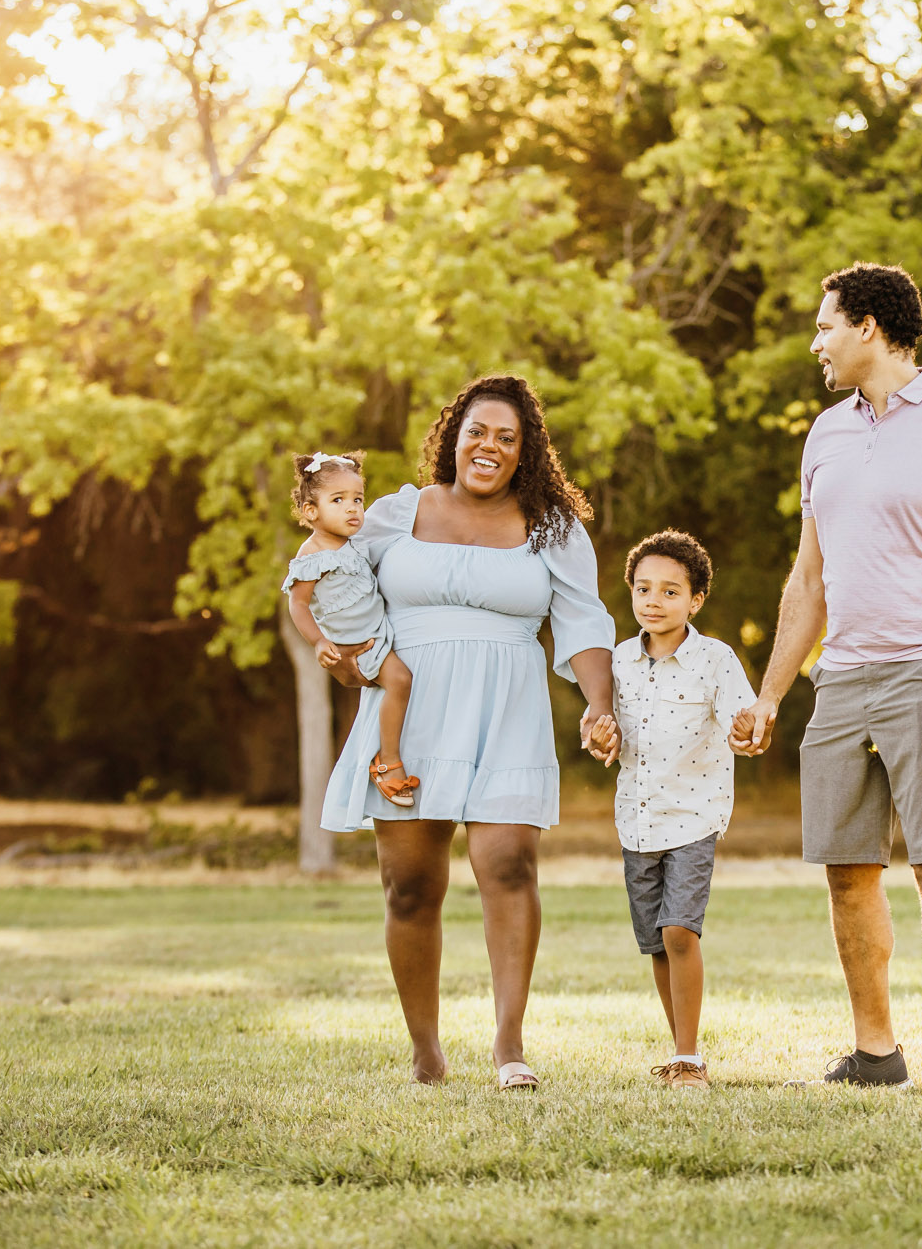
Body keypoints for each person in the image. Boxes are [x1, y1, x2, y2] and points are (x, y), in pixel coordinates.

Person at [732, 262, 922, 1097]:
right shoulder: (826, 433)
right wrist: (774, 691)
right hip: (843, 678)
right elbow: (807, 581)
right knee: (847, 869)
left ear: (868, 327)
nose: (815, 342)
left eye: (825, 325)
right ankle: (876, 1050)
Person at [320, 375, 620, 1089]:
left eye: (507, 438)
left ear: (526, 452)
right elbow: (336, 580)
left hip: (507, 704)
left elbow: (583, 622)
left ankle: (508, 1043)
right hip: (410, 707)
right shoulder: (398, 512)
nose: (489, 446)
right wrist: (345, 656)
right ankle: (425, 1049)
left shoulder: (551, 527)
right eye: (477, 431)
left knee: (510, 862)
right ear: (452, 437)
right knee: (409, 886)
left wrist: (599, 703)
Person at [605, 530, 756, 1090]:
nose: (653, 601)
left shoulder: (715, 659)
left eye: (670, 591)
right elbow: (610, 731)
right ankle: (679, 1051)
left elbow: (744, 719)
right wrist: (601, 737)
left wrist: (748, 728)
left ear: (695, 600)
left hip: (695, 817)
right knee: (655, 942)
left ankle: (691, 1058)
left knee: (679, 932)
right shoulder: (620, 659)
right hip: (636, 819)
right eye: (643, 588)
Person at [281, 451, 419, 807]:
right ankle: (388, 762)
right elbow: (297, 604)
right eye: (338, 500)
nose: (353, 508)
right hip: (360, 644)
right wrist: (318, 641)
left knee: (405, 683)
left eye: (358, 499)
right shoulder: (312, 556)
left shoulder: (356, 542)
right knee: (400, 681)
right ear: (311, 511)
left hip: (380, 630)